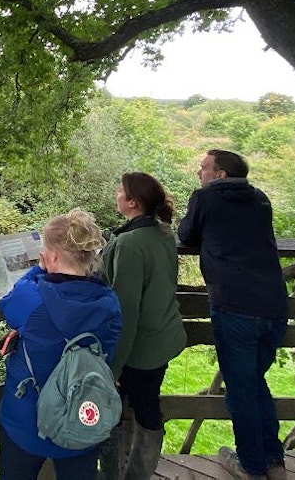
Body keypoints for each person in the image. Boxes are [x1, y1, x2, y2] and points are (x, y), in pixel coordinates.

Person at [178, 150, 289, 480]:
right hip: (274, 306)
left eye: (204, 168)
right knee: (256, 383)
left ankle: (251, 466)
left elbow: (186, 235)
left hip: (235, 306)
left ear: (221, 175)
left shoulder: (205, 198)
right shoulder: (261, 199)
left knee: (241, 391)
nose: (199, 172)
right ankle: (274, 461)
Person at [0, 209, 122, 480]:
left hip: (26, 419)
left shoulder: (33, 302)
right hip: (83, 416)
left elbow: (11, 296)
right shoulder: (109, 303)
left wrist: (38, 269)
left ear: (51, 255)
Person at [98, 172, 187, 479]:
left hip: (139, 349)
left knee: (112, 413)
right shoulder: (162, 234)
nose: (116, 193)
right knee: (147, 407)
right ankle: (139, 473)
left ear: (132, 202)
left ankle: (116, 474)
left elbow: (125, 311)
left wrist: (114, 366)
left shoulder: (130, 244)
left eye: (120, 190)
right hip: (162, 338)